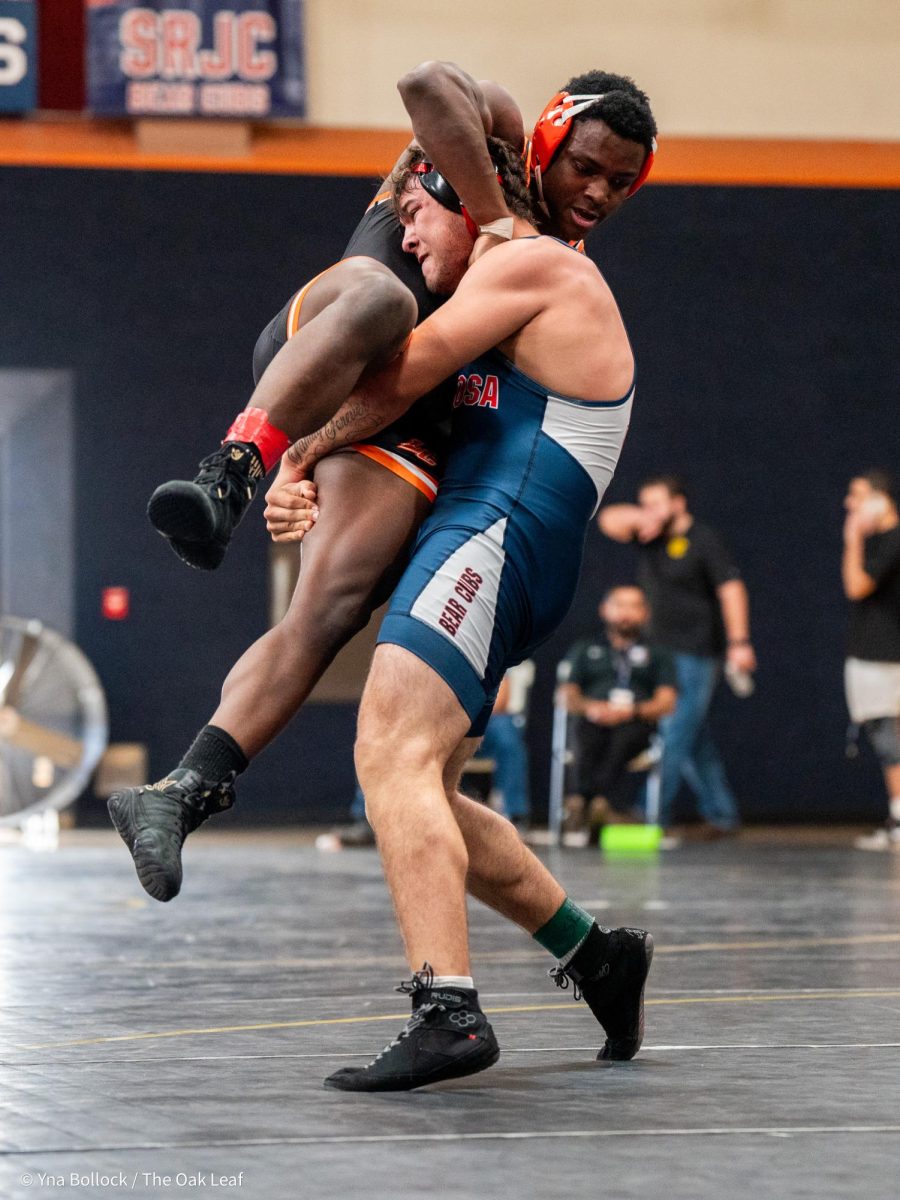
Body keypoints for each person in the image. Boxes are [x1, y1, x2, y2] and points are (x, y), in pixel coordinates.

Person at [107, 69, 659, 899]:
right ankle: (231, 470)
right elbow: (425, 83)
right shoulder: (494, 154)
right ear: (545, 140)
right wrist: (495, 217)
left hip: (403, 421)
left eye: (621, 182)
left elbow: (414, 392)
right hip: (335, 352)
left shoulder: (553, 262)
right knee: (383, 294)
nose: (598, 191)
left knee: (332, 610)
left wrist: (309, 457)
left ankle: (184, 790)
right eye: (586, 167)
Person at [250, 140, 653, 1092]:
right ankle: (596, 955)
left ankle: (450, 1012)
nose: (407, 234)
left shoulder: (531, 261)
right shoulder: (498, 278)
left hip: (496, 537)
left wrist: (283, 448)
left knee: (387, 755)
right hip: (491, 543)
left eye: (422, 215)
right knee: (425, 786)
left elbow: (397, 375)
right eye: (585, 170)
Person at [598, 475, 756, 836]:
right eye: (644, 503)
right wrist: (643, 518)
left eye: (656, 503)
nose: (649, 510)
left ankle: (649, 811)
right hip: (659, 653)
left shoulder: (703, 540)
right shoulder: (651, 535)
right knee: (694, 737)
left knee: (675, 729)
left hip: (696, 652)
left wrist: (739, 642)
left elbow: (732, 589)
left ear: (679, 503)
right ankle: (722, 814)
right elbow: (608, 519)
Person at [560, 585, 677, 838]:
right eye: (619, 605)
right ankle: (599, 803)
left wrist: (631, 711)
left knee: (625, 736)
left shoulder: (658, 653)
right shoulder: (585, 648)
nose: (626, 613)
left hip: (636, 722)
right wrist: (591, 707)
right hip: (593, 718)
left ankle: (584, 800)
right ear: (605, 610)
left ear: (645, 613)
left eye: (634, 606)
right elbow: (566, 694)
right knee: (584, 731)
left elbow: (667, 702)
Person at [842, 470, 900, 850]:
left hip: (884, 657)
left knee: (889, 739)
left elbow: (857, 585)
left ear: (881, 499)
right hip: (879, 654)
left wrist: (852, 539)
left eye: (858, 496)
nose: (850, 504)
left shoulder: (890, 540)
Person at [472, 663, 533, 829]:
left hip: (483, 723)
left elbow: (501, 700)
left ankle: (514, 812)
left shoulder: (492, 651)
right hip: (445, 720)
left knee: (506, 728)